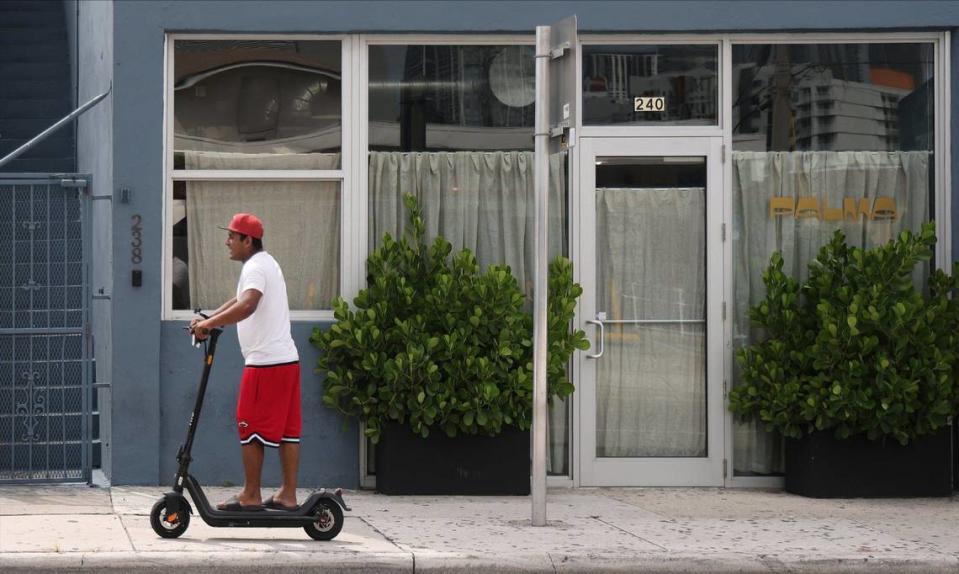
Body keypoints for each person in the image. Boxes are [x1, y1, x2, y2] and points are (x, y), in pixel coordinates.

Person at [191, 213, 301, 512]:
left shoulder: (255, 266)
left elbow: (248, 304)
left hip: (265, 364)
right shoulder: (267, 262)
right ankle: (287, 495)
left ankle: (250, 495)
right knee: (288, 430)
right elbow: (238, 299)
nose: (227, 242)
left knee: (248, 424)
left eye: (232, 236)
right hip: (286, 360)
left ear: (247, 240)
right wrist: (209, 318)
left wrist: (210, 324)